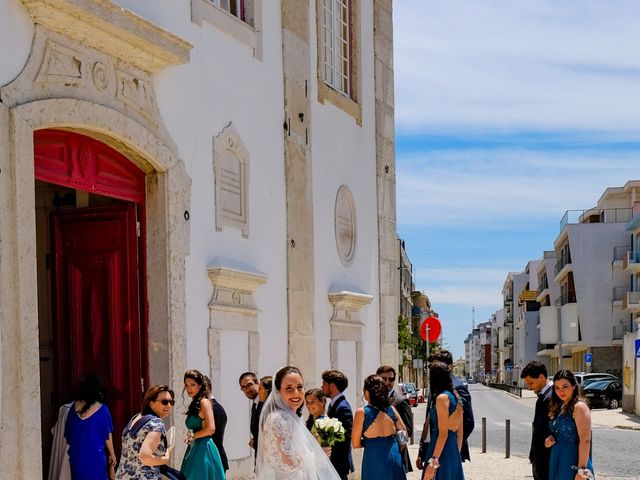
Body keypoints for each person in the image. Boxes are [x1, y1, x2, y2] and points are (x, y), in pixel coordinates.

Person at [256, 366, 340, 479]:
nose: (296, 393)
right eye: (289, 388)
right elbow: (287, 462)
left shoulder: (290, 416)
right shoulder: (279, 419)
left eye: (299, 387)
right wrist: (317, 456)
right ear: (278, 391)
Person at [352, 375, 407, 480]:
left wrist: (371, 442)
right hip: (393, 455)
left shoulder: (361, 412)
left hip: (373, 458)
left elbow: (355, 443)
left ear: (367, 392)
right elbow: (403, 434)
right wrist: (394, 445)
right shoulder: (391, 409)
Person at [116, 384, 176, 480]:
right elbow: (145, 457)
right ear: (151, 404)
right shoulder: (156, 423)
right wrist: (166, 457)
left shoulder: (135, 418)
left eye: (171, 402)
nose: (168, 406)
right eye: (164, 402)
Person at [63, 374, 116, 480]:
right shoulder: (102, 409)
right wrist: (112, 454)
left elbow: (68, 438)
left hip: (77, 458)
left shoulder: (73, 409)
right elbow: (107, 435)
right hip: (95, 458)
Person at [545, 370, 594, 480]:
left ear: (573, 386)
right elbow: (560, 431)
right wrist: (551, 438)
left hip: (573, 461)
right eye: (557, 387)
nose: (560, 391)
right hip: (558, 458)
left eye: (565, 386)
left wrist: (581, 470)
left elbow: (585, 440)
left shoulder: (579, 407)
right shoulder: (562, 406)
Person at [180, 369, 226, 479]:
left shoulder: (204, 402)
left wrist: (192, 436)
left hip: (204, 449)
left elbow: (211, 429)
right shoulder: (195, 402)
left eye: (192, 385)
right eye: (186, 385)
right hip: (195, 447)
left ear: (200, 386)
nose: (188, 388)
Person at [422, 362, 464, 480]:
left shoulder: (442, 398)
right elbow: (460, 432)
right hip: (453, 450)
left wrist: (432, 464)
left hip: (440, 450)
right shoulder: (456, 397)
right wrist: (455, 454)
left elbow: (443, 433)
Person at [376, 365, 413, 473]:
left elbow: (408, 430)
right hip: (377, 453)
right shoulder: (373, 400)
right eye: (384, 379)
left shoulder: (401, 401)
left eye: (391, 379)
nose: (388, 382)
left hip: (396, 452)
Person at [521, 361, 553, 480]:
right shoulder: (543, 396)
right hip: (540, 459)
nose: (529, 387)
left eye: (531, 383)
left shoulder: (554, 396)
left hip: (549, 459)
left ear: (541, 377)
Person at [321, 370, 354, 479]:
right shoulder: (334, 404)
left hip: (338, 461)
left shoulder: (342, 407)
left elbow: (346, 436)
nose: (322, 387)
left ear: (332, 386)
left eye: (324, 384)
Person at [204, 375, 229, 474]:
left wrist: (192, 435)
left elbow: (211, 431)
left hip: (213, 459)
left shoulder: (212, 408)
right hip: (215, 458)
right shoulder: (216, 406)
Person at [239, 371, 262, 456]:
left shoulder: (265, 404)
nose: (247, 389)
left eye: (249, 385)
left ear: (258, 383)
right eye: (243, 387)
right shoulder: (255, 404)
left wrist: (255, 443)